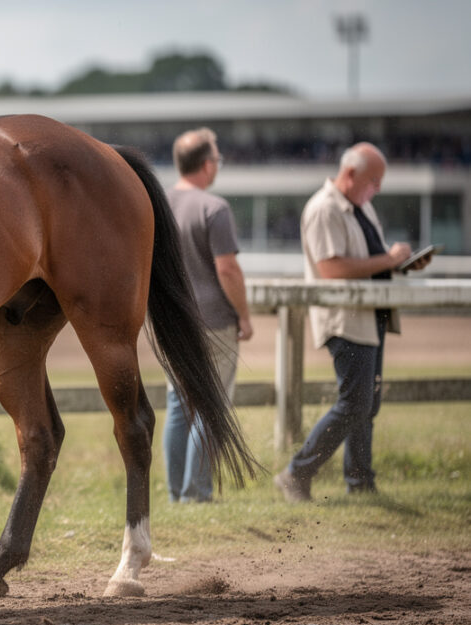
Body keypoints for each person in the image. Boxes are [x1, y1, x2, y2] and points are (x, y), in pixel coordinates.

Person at [274, 142, 431, 502]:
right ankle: (297, 472)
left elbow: (368, 258)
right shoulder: (324, 209)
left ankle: (359, 482)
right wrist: (389, 261)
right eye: (374, 180)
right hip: (346, 320)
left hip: (368, 316)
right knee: (355, 403)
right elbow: (331, 269)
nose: (378, 187)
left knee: (366, 405)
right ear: (351, 174)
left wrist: (400, 263)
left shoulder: (359, 206)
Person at [162, 127, 253, 503]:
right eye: (217, 158)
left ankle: (174, 493)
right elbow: (227, 269)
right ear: (206, 163)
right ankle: (196, 493)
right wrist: (244, 316)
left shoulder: (161, 203)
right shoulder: (214, 208)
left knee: (178, 406)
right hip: (213, 319)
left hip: (173, 321)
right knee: (210, 404)